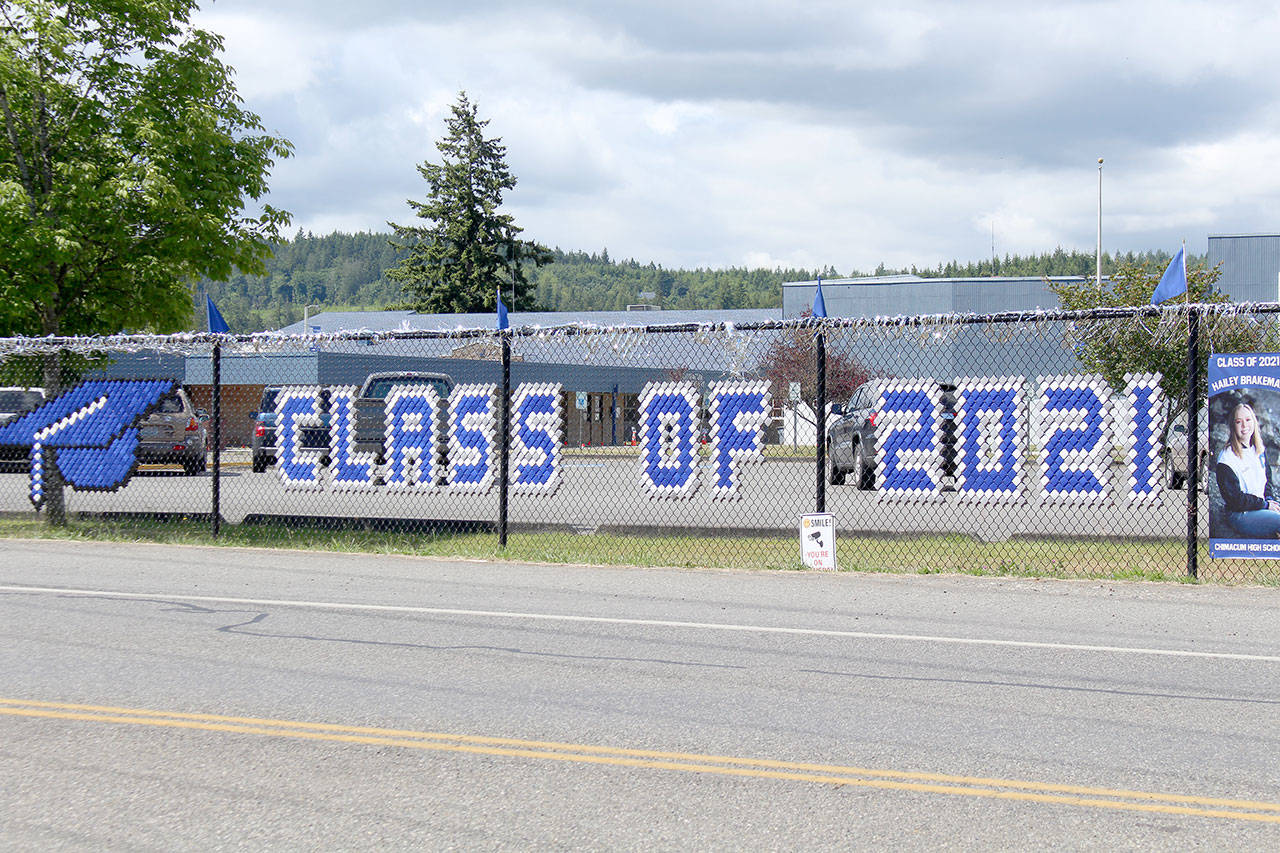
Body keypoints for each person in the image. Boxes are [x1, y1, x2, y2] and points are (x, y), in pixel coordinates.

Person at [1216, 401, 1280, 538]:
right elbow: (1236, 500)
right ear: (1233, 426)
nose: (1244, 426)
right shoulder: (1227, 459)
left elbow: (1266, 482)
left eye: (1248, 420)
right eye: (1239, 422)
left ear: (1254, 422)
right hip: (1241, 514)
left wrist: (1269, 500)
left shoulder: (1259, 449)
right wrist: (1265, 505)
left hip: (1261, 507)